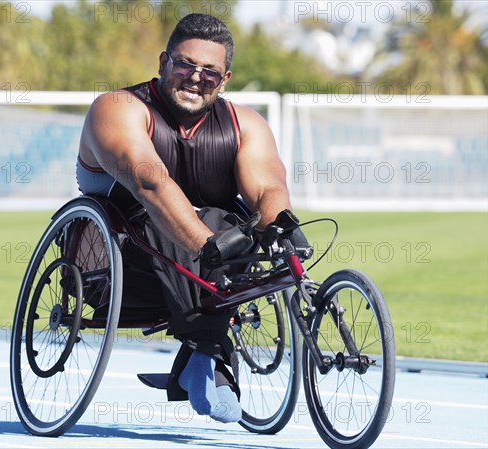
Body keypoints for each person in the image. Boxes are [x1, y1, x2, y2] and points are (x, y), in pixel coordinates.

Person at [77, 13, 310, 423]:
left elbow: (267, 188)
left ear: (225, 79)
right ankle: (209, 359)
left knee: (240, 219)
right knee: (160, 214)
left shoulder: (245, 124)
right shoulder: (116, 108)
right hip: (118, 262)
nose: (195, 77)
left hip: (211, 259)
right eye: (185, 64)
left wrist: (282, 227)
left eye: (210, 71)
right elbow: (150, 184)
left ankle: (203, 354)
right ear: (164, 60)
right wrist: (206, 245)